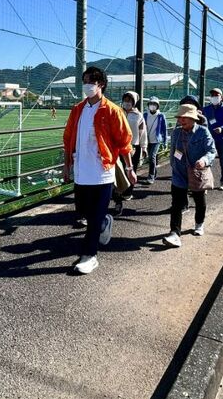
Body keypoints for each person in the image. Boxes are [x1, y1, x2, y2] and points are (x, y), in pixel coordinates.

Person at [63, 66, 136, 275]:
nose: (87, 85)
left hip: (103, 172)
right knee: (83, 211)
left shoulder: (112, 110)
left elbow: (124, 142)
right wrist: (67, 166)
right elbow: (68, 139)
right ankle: (105, 221)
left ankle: (90, 255)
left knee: (93, 217)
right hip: (81, 171)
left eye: (91, 82)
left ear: (101, 85)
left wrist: (129, 168)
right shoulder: (77, 109)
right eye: (84, 81)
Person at [163, 104, 216, 247]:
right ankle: (174, 233)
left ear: (193, 118)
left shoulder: (203, 132)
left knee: (199, 200)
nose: (182, 120)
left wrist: (204, 161)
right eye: (180, 117)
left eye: (185, 117)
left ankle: (199, 223)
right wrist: (174, 166)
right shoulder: (176, 132)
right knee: (176, 204)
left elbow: (211, 151)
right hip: (179, 173)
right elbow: (173, 151)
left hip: (197, 173)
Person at [112, 91, 147, 216]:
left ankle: (127, 192)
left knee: (131, 169)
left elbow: (143, 132)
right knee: (119, 171)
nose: (126, 102)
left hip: (133, 147)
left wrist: (144, 147)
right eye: (125, 100)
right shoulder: (118, 112)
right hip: (118, 147)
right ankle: (118, 195)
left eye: (129, 100)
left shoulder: (138, 116)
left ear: (134, 102)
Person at [201, 88, 223, 191]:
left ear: (221, 97)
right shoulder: (206, 109)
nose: (214, 97)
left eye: (216, 95)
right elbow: (201, 121)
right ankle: (205, 183)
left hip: (222, 139)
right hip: (209, 139)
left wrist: (222, 128)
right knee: (206, 161)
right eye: (212, 95)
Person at [144, 96, 167, 184]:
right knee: (151, 158)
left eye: (154, 104)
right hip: (147, 140)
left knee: (152, 156)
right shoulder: (145, 115)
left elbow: (164, 129)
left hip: (156, 140)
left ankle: (151, 176)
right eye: (151, 103)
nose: (152, 105)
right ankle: (154, 173)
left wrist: (165, 141)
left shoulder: (161, 116)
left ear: (157, 106)